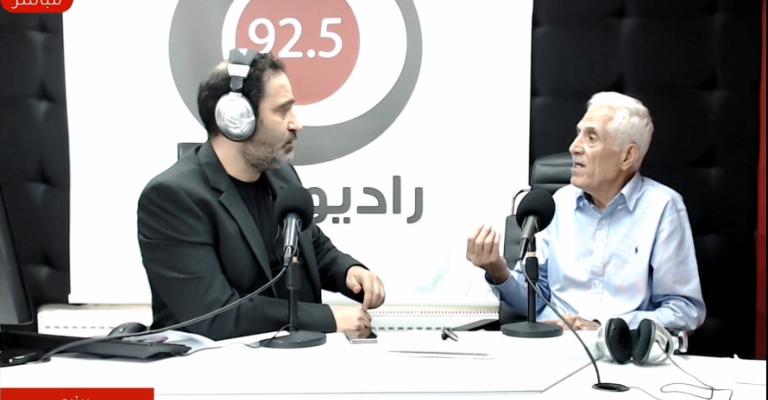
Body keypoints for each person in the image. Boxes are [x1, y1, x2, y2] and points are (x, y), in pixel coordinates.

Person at [137, 50, 385, 340]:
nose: (296, 124)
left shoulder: (281, 175)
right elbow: (216, 315)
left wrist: (348, 272)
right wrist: (327, 318)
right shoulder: (173, 198)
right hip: (207, 365)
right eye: (282, 111)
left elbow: (311, 245)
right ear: (236, 119)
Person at [466, 92, 705, 332]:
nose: (573, 147)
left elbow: (684, 310)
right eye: (578, 134)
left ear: (627, 156)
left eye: (591, 138)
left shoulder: (663, 207)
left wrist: (607, 328)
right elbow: (534, 300)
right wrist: (497, 269)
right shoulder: (560, 202)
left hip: (620, 348)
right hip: (553, 343)